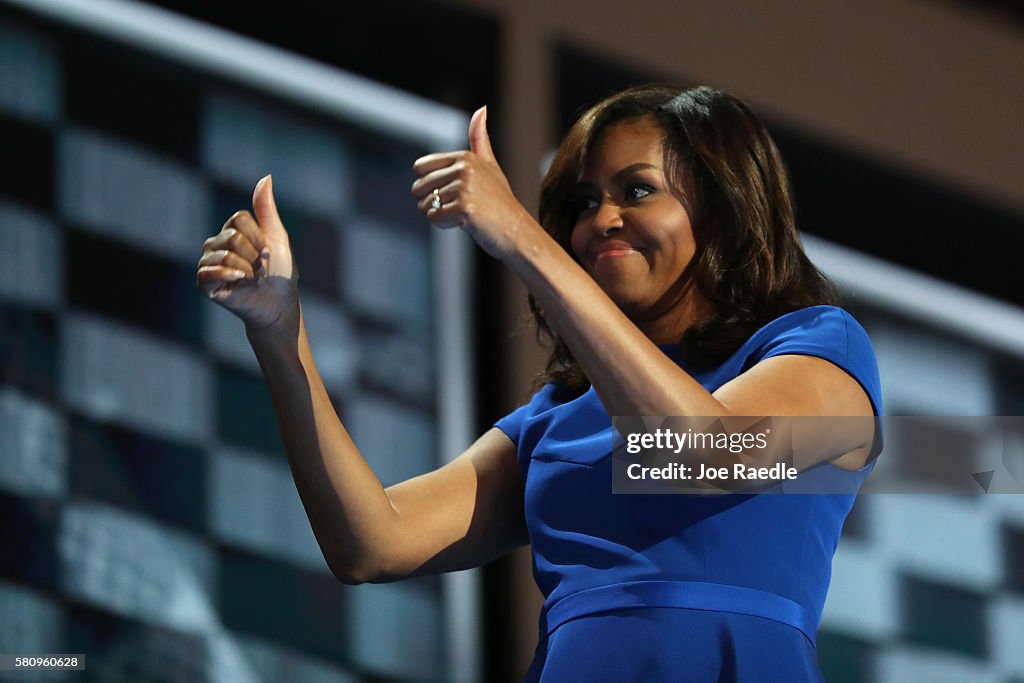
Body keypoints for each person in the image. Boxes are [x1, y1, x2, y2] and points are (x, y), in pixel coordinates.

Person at [197, 84, 881, 682]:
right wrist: (278, 330)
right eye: (584, 201)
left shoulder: (817, 345)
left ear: (724, 207)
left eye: (637, 190)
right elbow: (372, 542)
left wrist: (519, 235)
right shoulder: (557, 416)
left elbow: (702, 451)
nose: (600, 220)